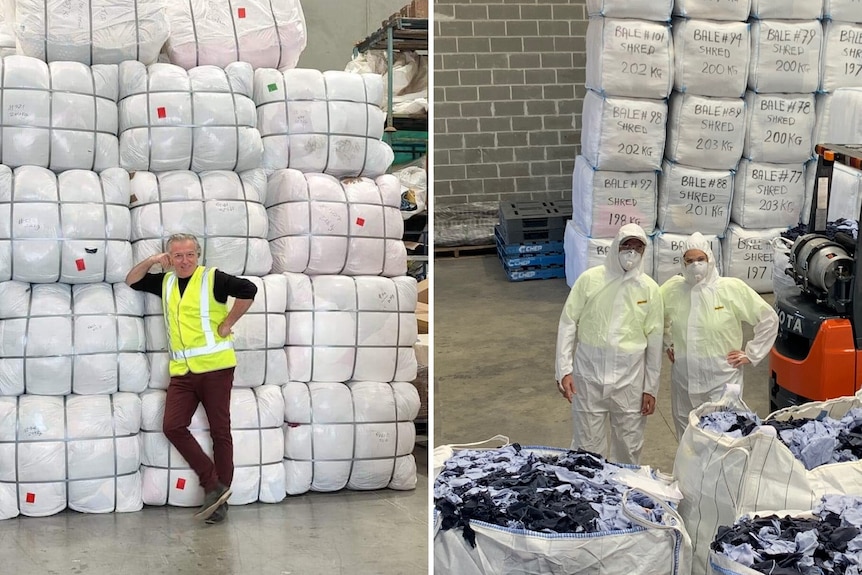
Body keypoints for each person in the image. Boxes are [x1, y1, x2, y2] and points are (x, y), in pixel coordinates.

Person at [125, 233, 257, 524]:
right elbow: (132, 280)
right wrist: (151, 260)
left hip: (216, 368)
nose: (183, 261)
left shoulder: (212, 278)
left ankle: (219, 505)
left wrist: (228, 323)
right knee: (172, 426)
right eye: (177, 256)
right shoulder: (166, 282)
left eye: (189, 255)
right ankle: (214, 485)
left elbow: (249, 289)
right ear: (169, 258)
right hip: (183, 372)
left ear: (198, 256)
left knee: (220, 432)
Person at [555, 223, 663, 465]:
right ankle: (589, 497)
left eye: (638, 247)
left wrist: (650, 388)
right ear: (616, 246)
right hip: (589, 377)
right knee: (587, 447)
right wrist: (564, 370)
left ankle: (624, 493)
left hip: (630, 382)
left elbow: (655, 341)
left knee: (629, 445)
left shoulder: (650, 289)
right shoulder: (590, 280)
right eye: (627, 245)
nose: (632, 252)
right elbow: (568, 323)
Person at [661, 232, 778, 440]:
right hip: (684, 380)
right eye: (689, 260)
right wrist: (668, 343)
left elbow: (768, 318)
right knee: (688, 436)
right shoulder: (673, 290)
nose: (695, 265)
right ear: (682, 263)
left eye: (700, 259)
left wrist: (751, 353)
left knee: (724, 436)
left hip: (721, 379)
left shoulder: (730, 289)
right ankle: (692, 473)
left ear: (710, 259)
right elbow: (656, 317)